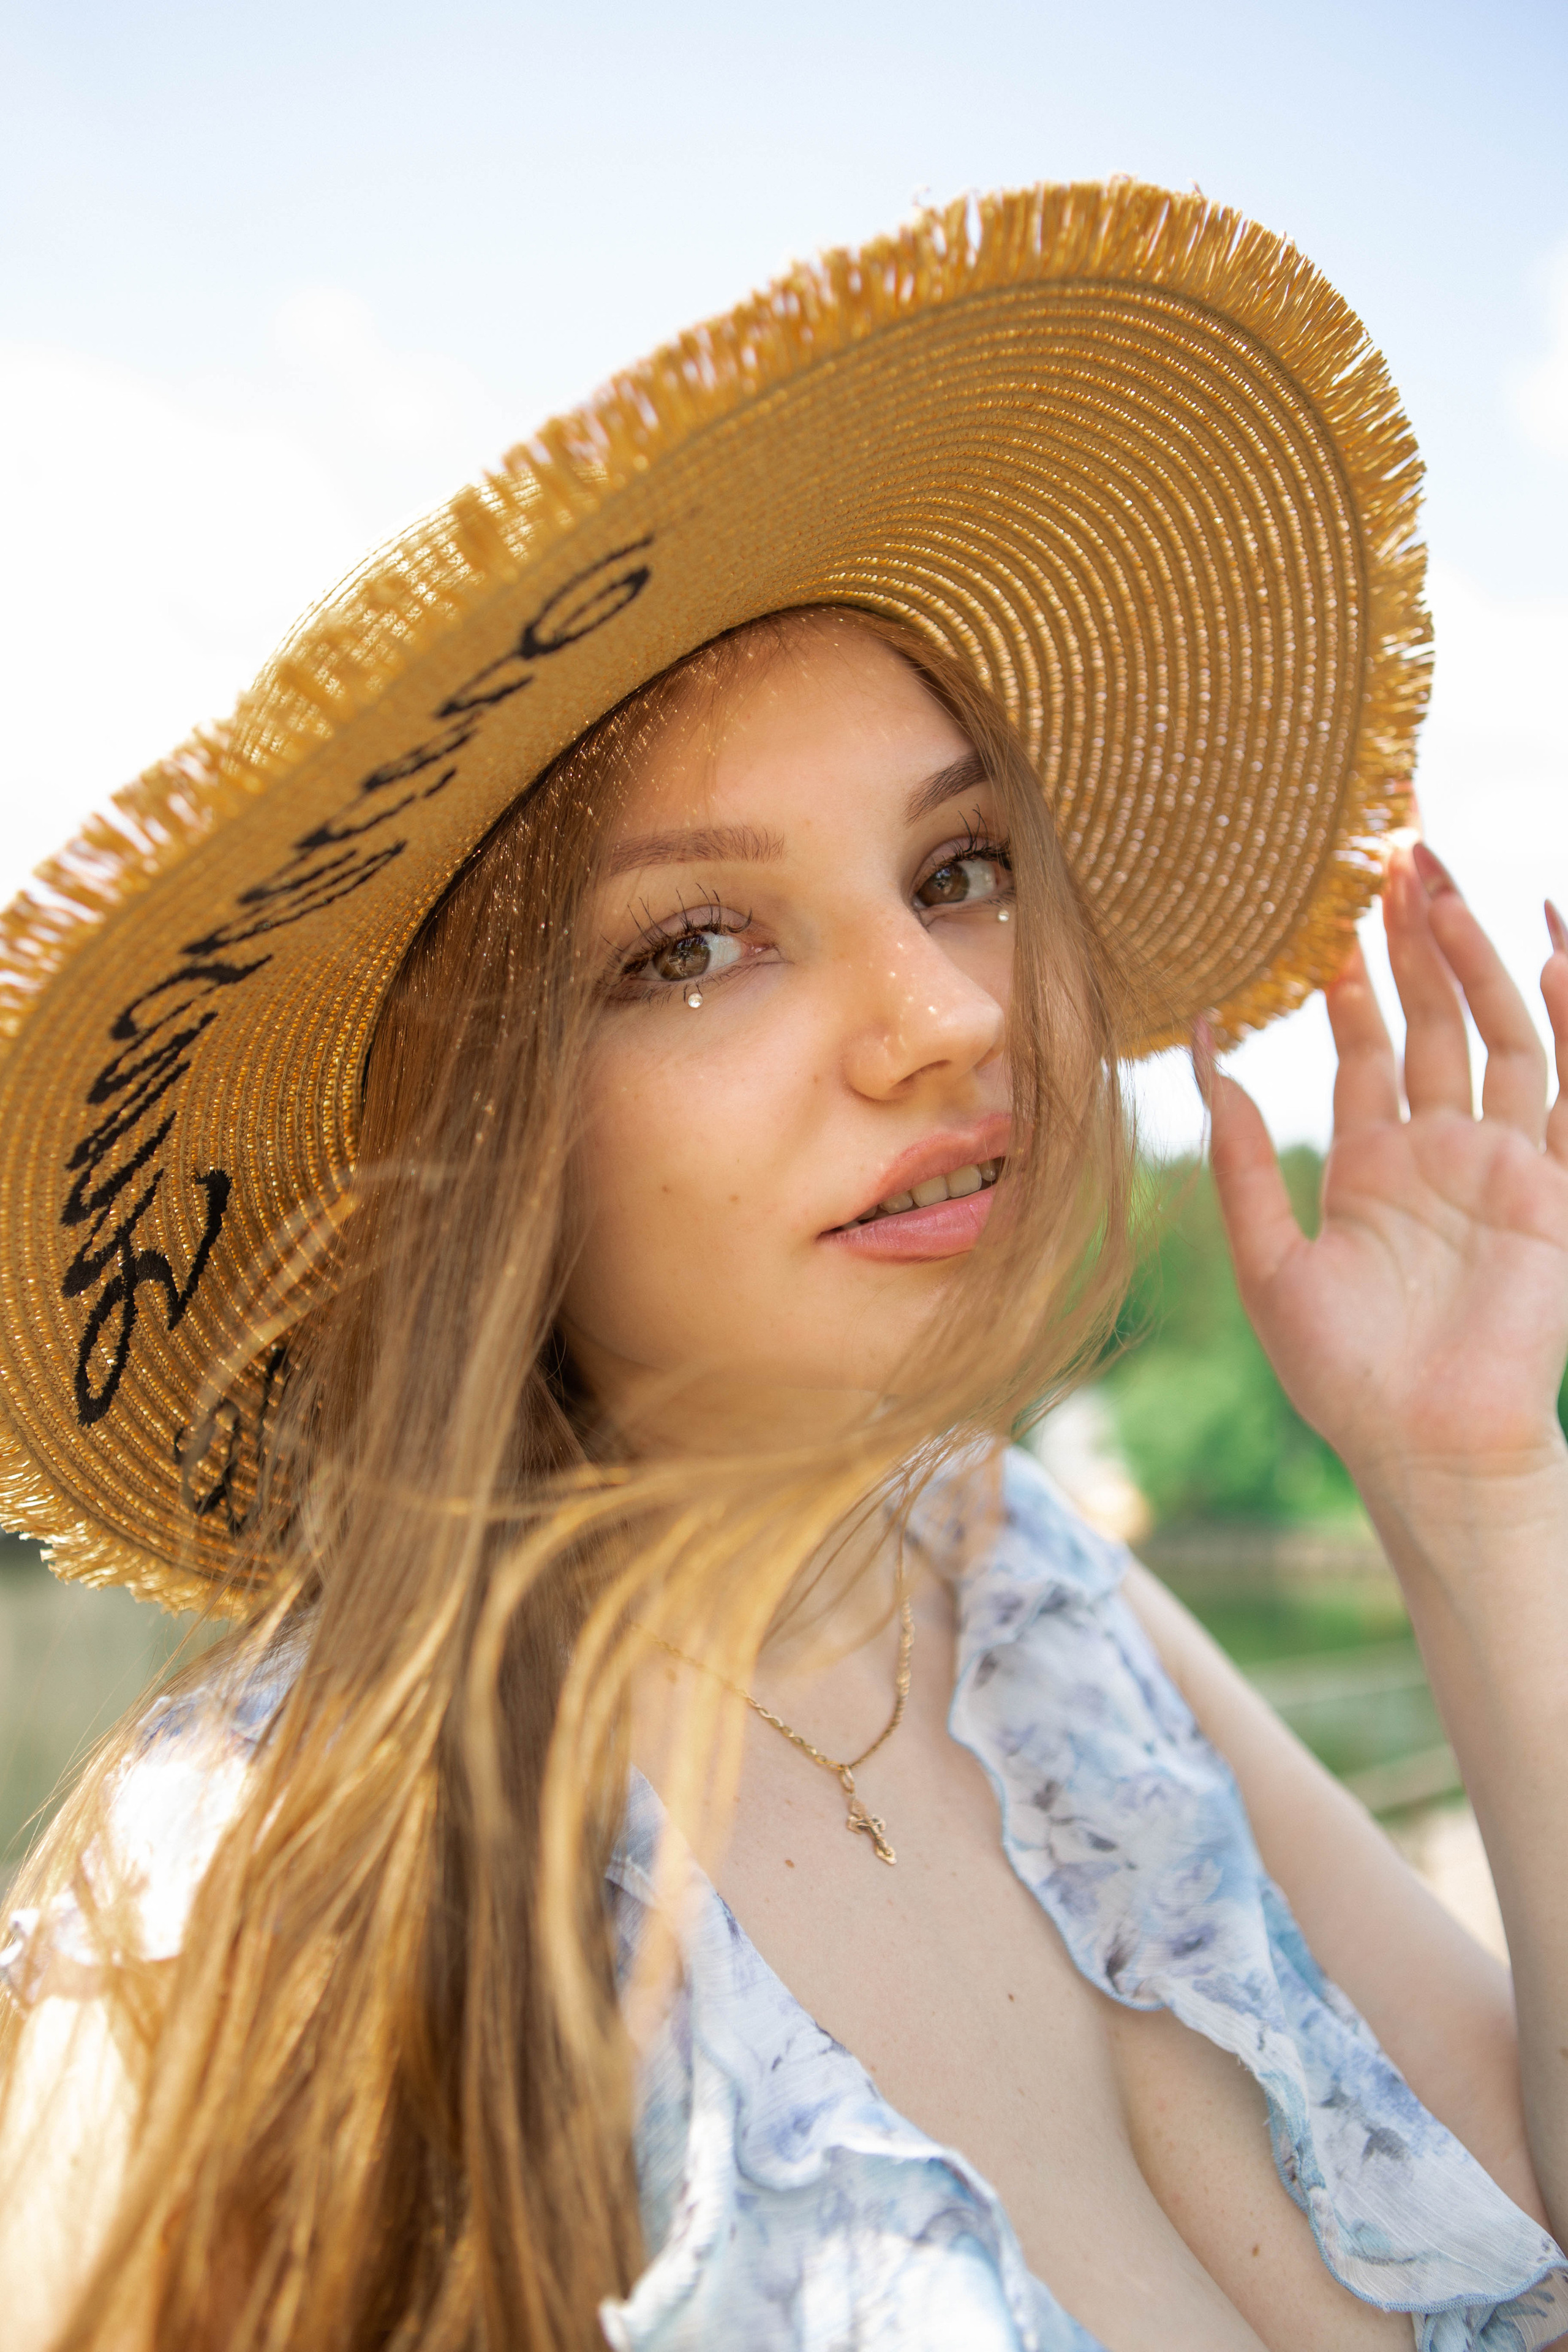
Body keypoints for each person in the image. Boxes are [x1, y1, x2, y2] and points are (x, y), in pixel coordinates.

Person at [0, 179, 1564, 2352]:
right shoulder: (249, 1928)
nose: (943, 1009)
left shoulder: (1025, 1592)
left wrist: (1474, 1494)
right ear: (482, 1132)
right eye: (696, 944)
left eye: (959, 866)